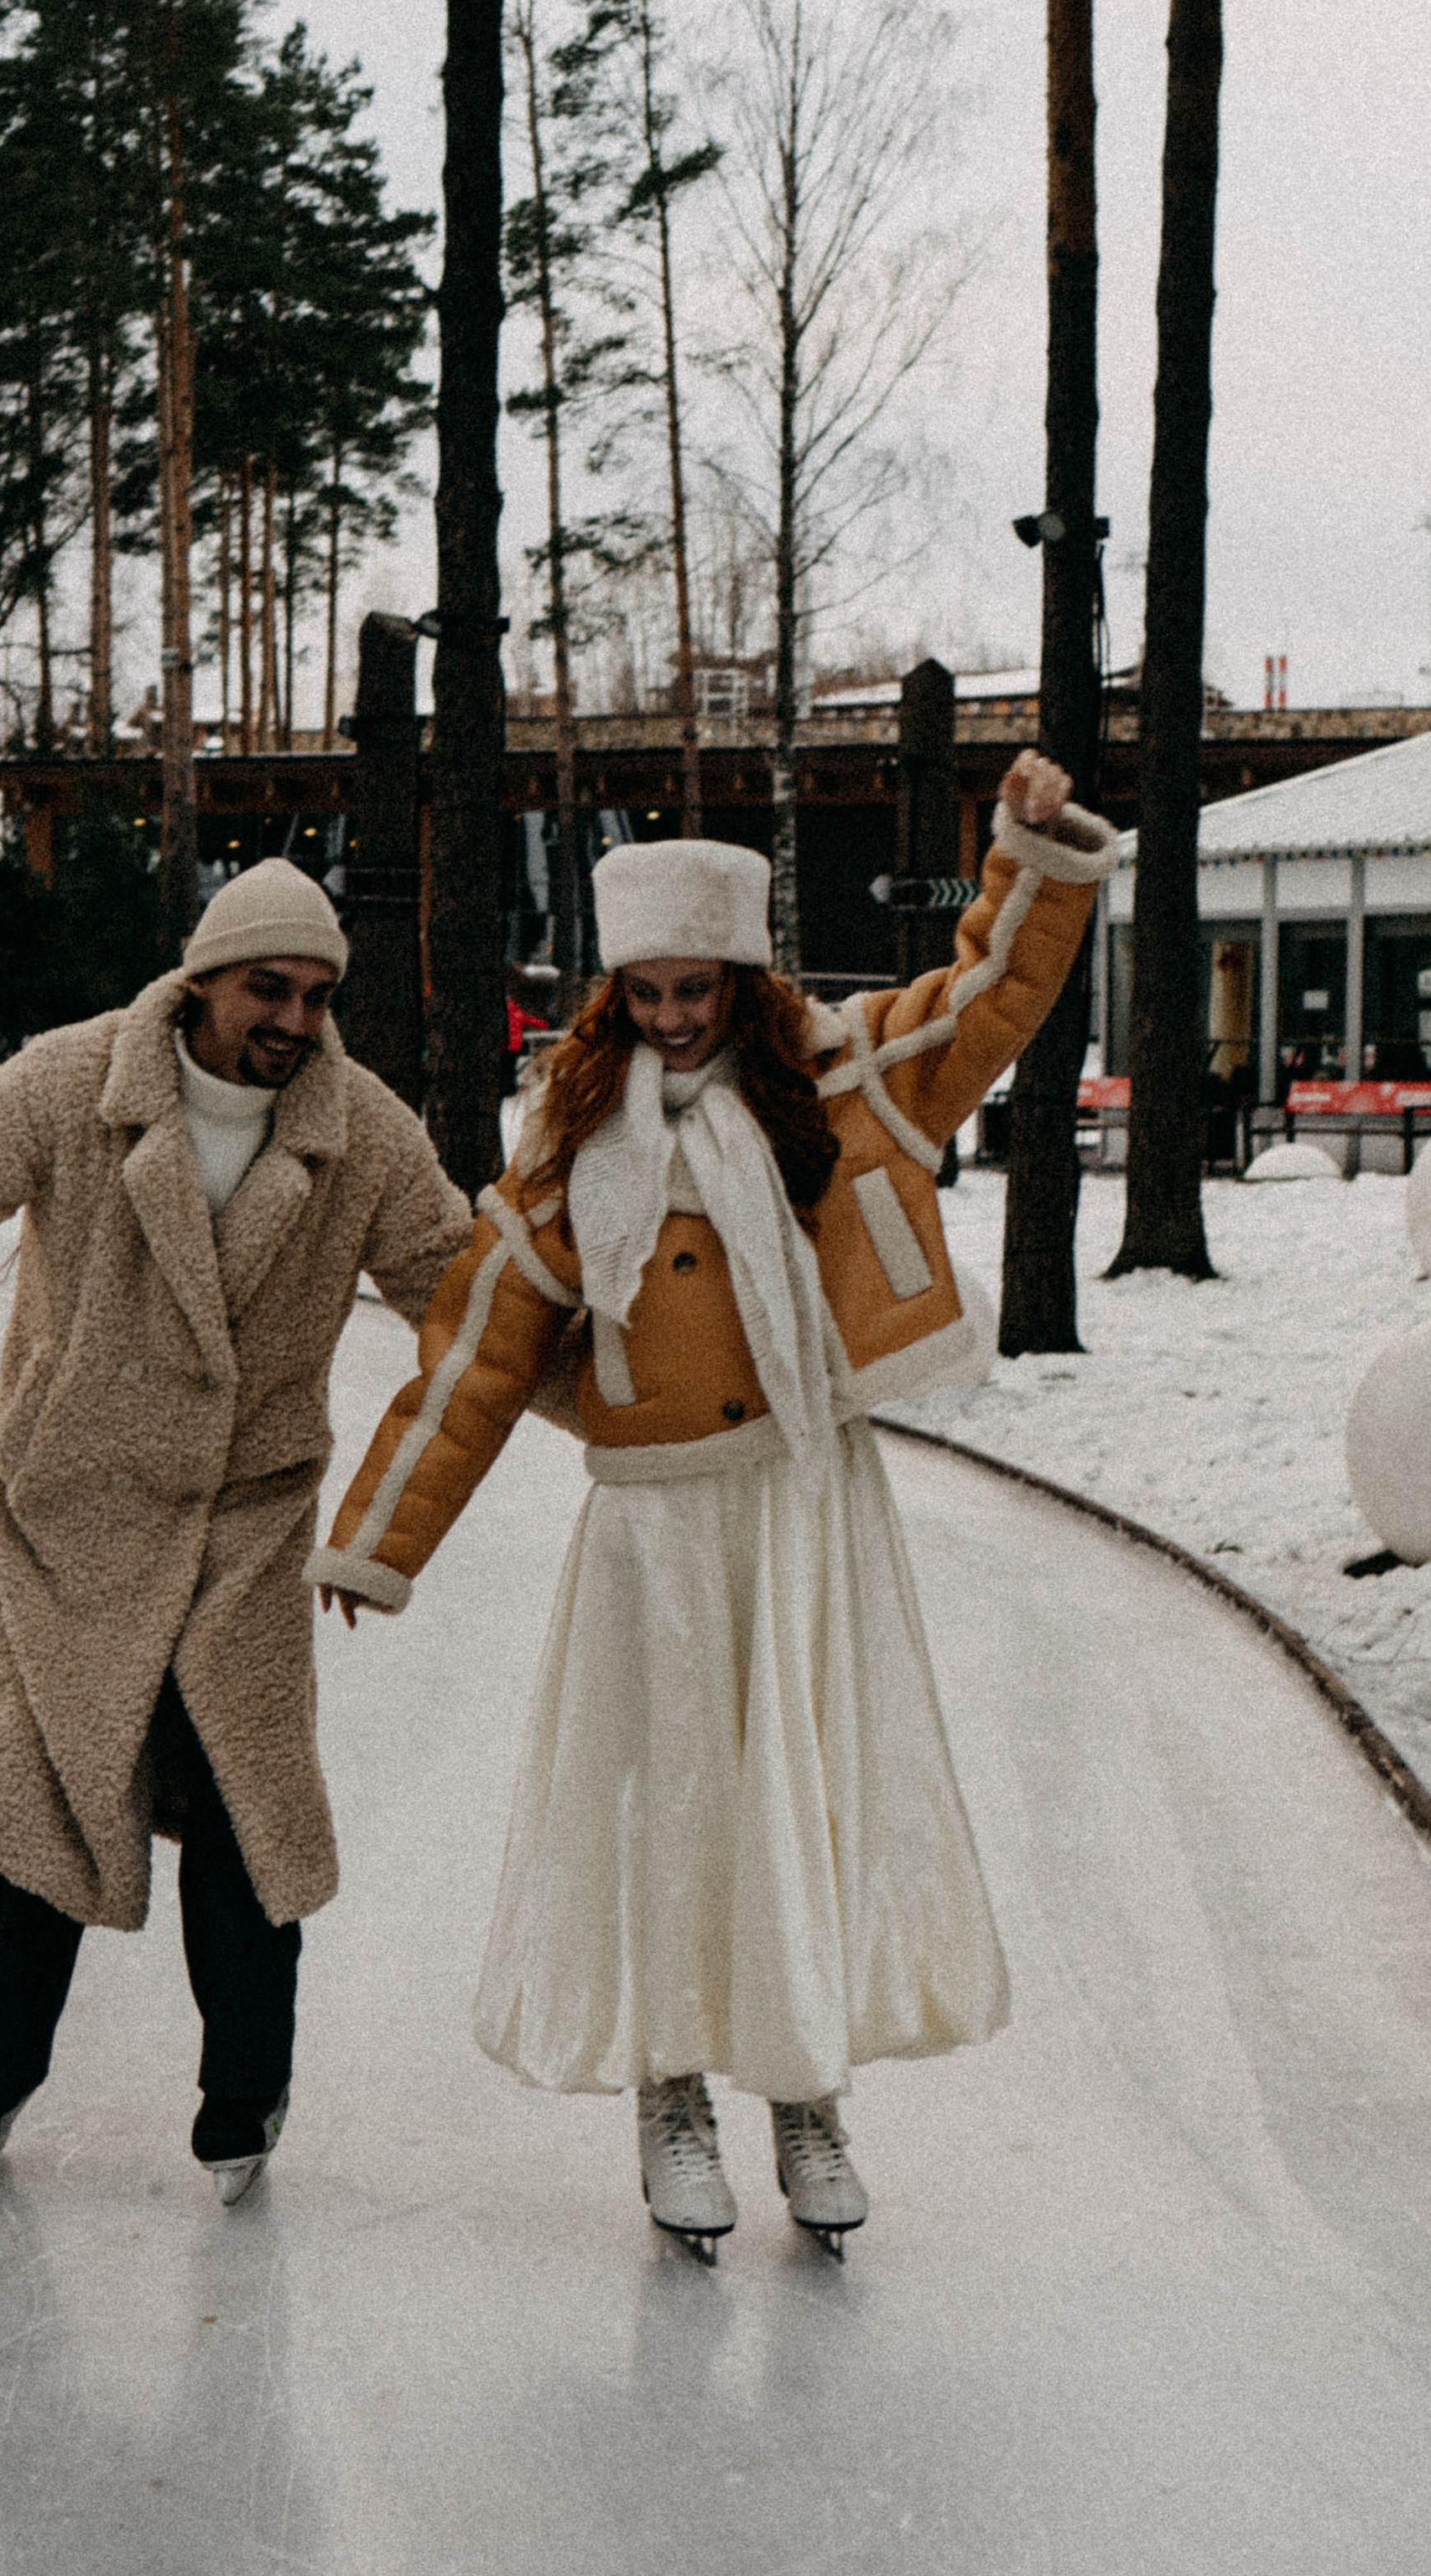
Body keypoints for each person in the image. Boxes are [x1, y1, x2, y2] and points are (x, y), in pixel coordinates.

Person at [309, 752, 1117, 2258]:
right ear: (616, 997)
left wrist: (1029, 841)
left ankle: (804, 2097)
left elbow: (989, 992)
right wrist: (379, 1537)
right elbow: (472, 1360)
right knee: (675, 1810)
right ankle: (671, 2097)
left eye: (702, 990)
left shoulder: (848, 1076)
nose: (677, 1018)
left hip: (806, 1506)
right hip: (658, 1528)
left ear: (746, 982)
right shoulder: (562, 1160)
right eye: (651, 995)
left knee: (797, 1799)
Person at [0, 859, 471, 2199]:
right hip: (76, 1516)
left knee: (244, 1819)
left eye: (316, 994)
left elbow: (476, 1310)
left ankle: (245, 2094)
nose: (292, 1019)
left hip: (243, 1525)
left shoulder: (362, 1133)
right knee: (40, 1808)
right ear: (201, 981)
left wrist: (667, 1400)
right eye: (266, 988)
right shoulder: (80, 1083)